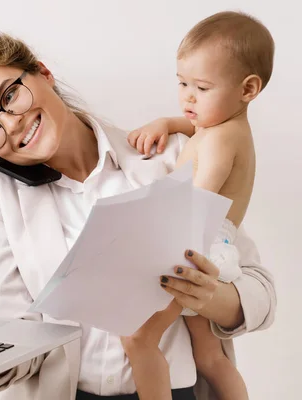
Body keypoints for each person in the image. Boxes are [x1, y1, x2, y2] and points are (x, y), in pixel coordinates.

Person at [0, 28, 276, 400]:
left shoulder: (167, 153)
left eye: (9, 96)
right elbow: (16, 342)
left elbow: (261, 295)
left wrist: (209, 296)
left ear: (42, 73)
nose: (11, 123)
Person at [122, 11, 275, 400]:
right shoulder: (223, 125)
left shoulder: (222, 140)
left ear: (248, 89)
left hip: (196, 245)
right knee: (210, 357)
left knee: (139, 340)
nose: (188, 96)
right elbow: (195, 125)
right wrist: (167, 123)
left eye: (202, 88)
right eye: (182, 82)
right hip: (215, 251)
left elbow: (192, 202)